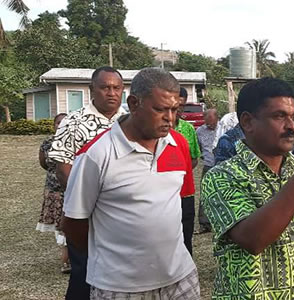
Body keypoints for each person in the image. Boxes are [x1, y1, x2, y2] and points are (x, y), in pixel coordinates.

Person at [201, 77, 294, 299]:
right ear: (247, 122)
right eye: (279, 116)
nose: (292, 126)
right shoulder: (222, 177)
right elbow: (253, 239)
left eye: (293, 117)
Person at [61, 68, 199, 299]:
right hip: (120, 287)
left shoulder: (178, 143)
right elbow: (74, 222)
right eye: (160, 109)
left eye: (174, 110)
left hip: (180, 278)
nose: (170, 118)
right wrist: (113, 258)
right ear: (134, 104)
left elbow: (179, 207)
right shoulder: (96, 155)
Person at [49, 66, 126, 300]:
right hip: (85, 216)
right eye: (105, 87)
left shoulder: (130, 120)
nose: (111, 93)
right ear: (92, 89)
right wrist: (89, 207)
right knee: (83, 275)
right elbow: (63, 169)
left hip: (123, 214)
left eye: (116, 88)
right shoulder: (73, 121)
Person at [37, 112, 69, 274]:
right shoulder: (47, 143)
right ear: (54, 125)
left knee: (71, 224)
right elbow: (43, 163)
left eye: (65, 123)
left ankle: (70, 258)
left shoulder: (74, 141)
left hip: (71, 190)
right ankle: (66, 260)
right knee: (61, 226)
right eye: (58, 123)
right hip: (54, 191)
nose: (61, 126)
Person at [174, 87, 201, 255]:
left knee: (186, 233)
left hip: (185, 193)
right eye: (174, 105)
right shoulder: (155, 130)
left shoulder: (188, 129)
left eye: (181, 106)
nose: (177, 110)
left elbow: (195, 157)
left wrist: (180, 174)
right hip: (163, 194)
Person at [195, 108, 218, 234]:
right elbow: (199, 149)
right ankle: (204, 224)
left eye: (212, 123)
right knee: (205, 194)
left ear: (217, 119)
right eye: (207, 122)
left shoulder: (222, 128)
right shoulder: (200, 131)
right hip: (208, 165)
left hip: (222, 165)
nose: (210, 125)